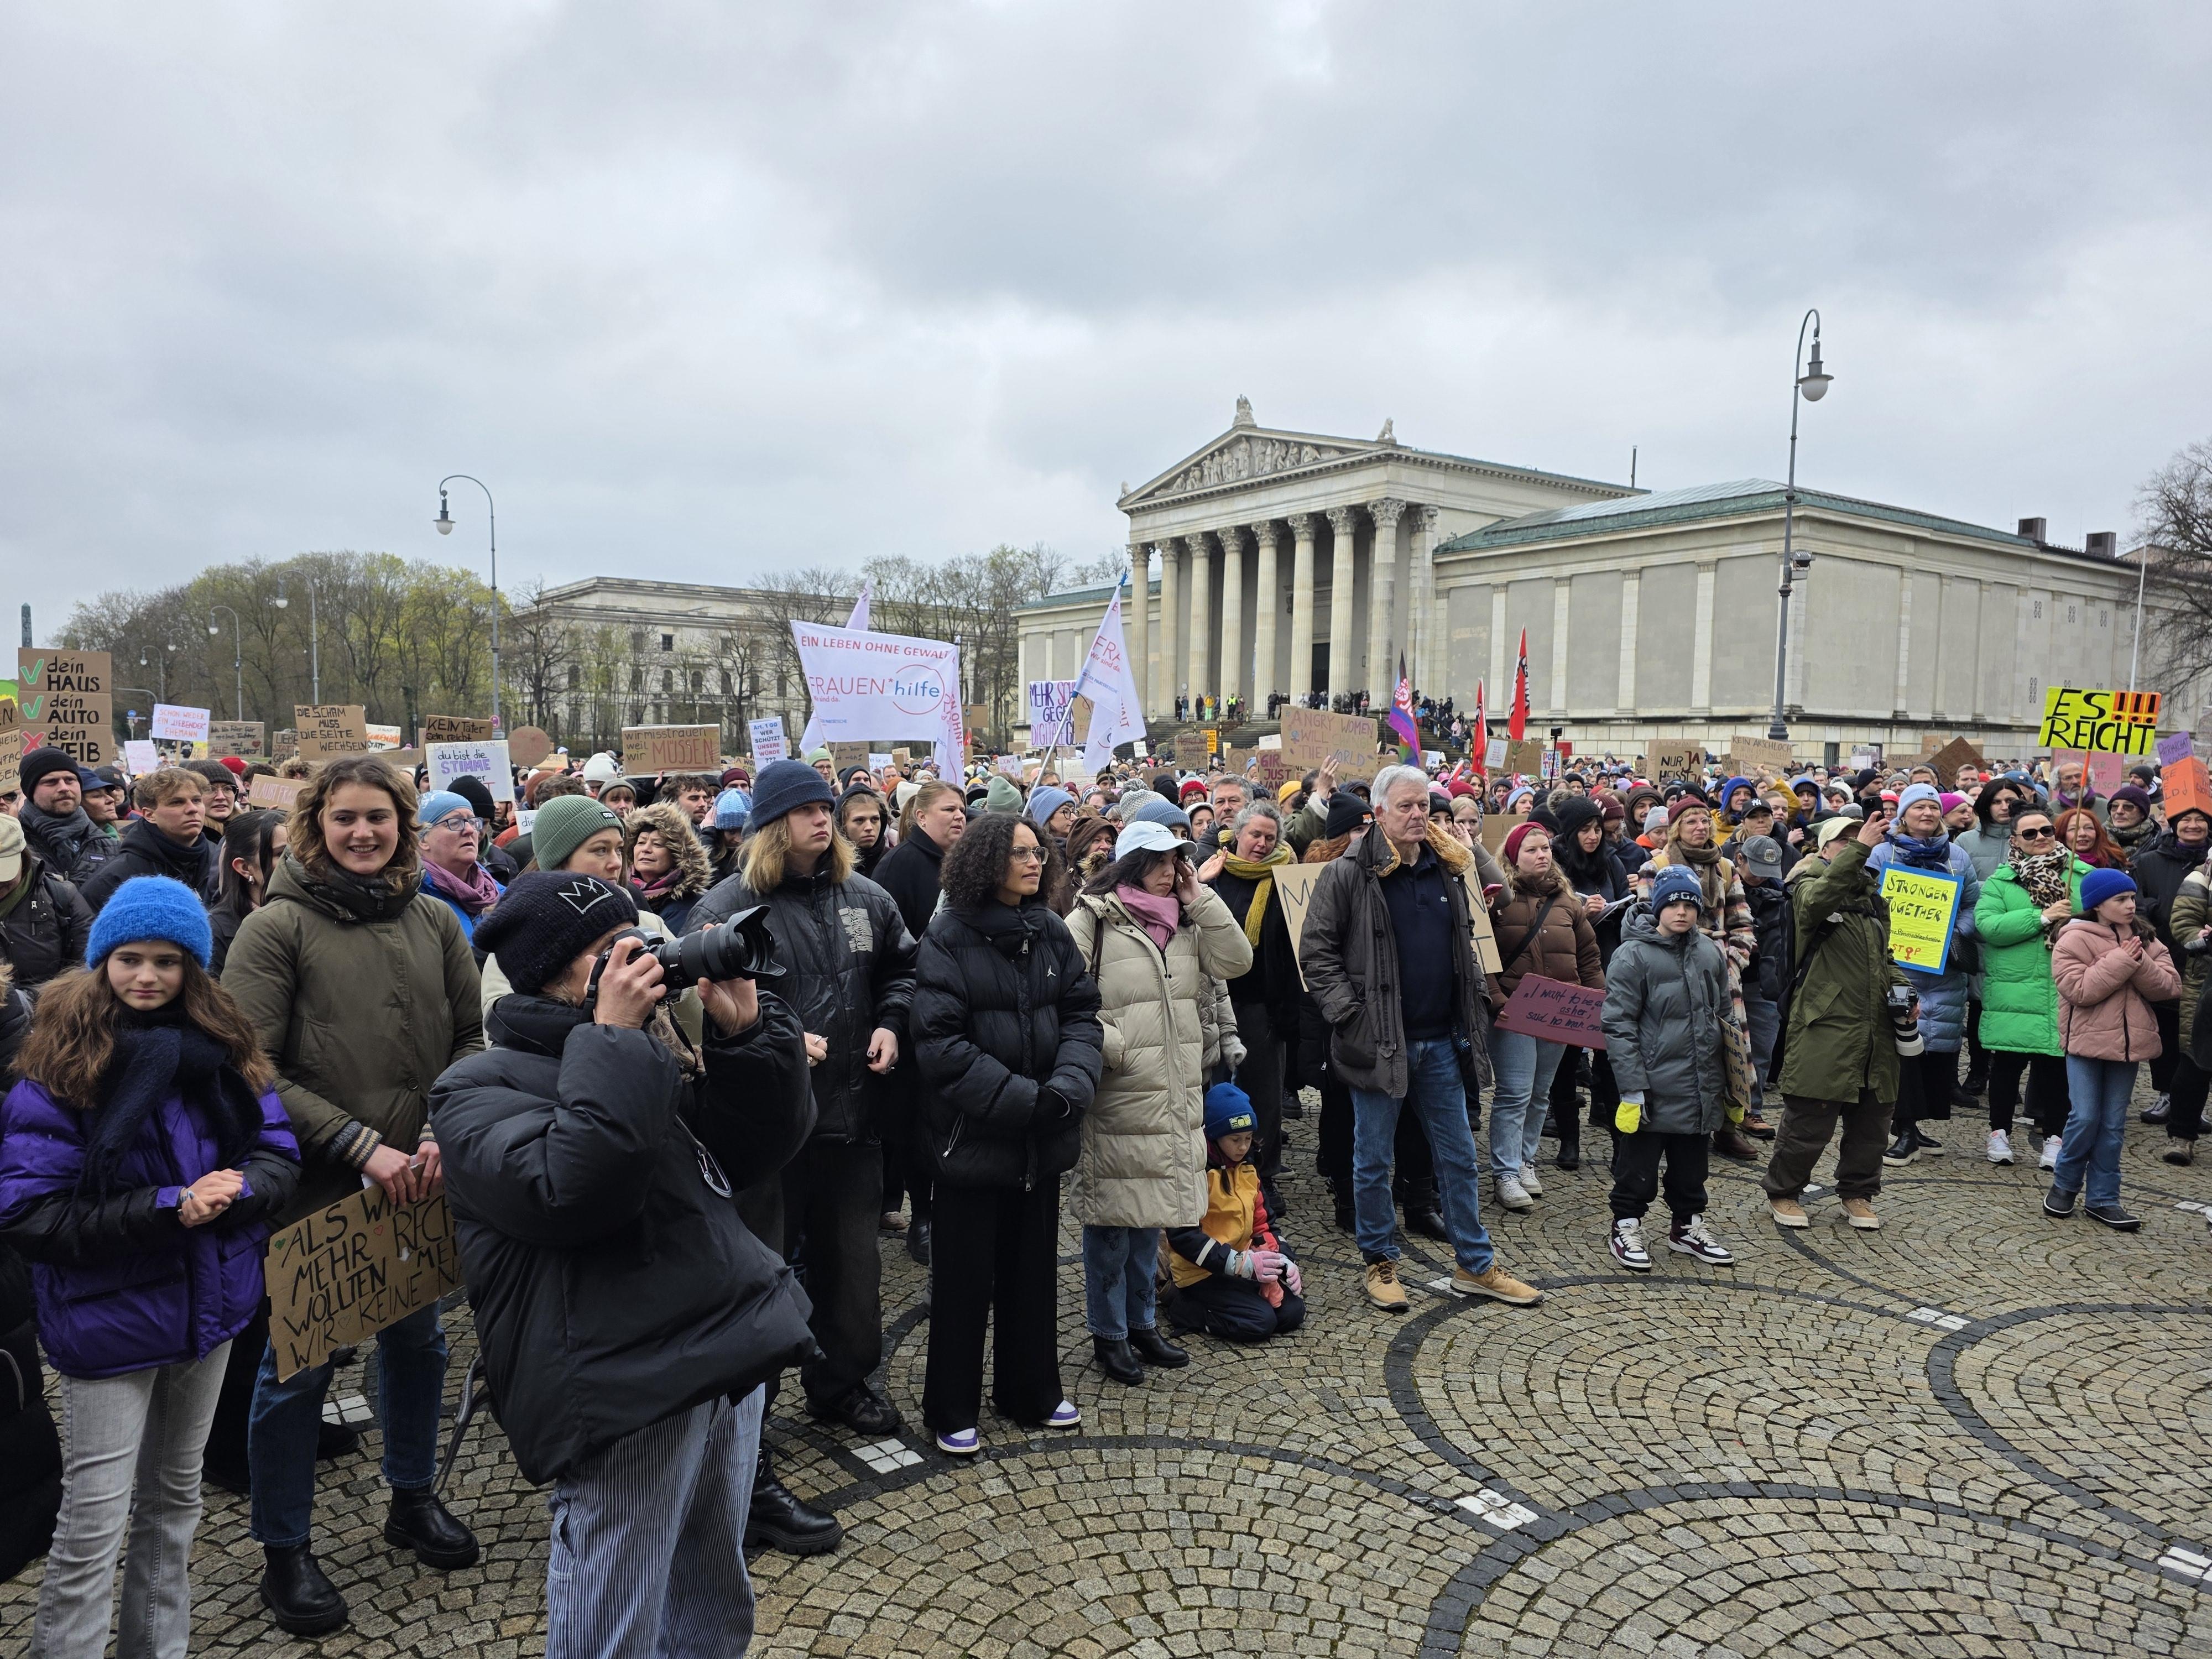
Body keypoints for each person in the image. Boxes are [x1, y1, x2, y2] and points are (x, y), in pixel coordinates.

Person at [434, 872, 817, 1658]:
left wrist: (747, 1040)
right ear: (555, 975)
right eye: (610, 953)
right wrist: (609, 1037)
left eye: (636, 940)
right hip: (625, 1381)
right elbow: (575, 1193)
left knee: (712, 1591)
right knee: (614, 1614)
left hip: (722, 1349)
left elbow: (745, 1159)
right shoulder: (474, 1088)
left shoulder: (646, 1045)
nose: (639, 961)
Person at [0, 877, 299, 1659]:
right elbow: (32, 1215)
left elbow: (276, 1149)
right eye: (130, 958)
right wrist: (168, 1206)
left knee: (174, 1501)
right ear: (102, 961)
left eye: (167, 962)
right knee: (95, 1518)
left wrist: (242, 1188)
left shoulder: (226, 1050)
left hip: (211, 1306)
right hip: (110, 1321)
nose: (147, 977)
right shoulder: (61, 1067)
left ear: (192, 969)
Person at [220, 756, 483, 1636]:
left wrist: (446, 1130)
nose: (364, 833)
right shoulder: (275, 928)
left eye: (380, 818)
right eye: (346, 819)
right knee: (295, 1373)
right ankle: (284, 1548)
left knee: (418, 1347)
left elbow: (473, 1036)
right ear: (314, 826)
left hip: (421, 1179)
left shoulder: (436, 918)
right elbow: (250, 1066)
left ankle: (411, 1497)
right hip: (321, 1182)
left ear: (404, 826)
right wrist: (360, 1146)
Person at [684, 760, 915, 1436]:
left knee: (852, 1269)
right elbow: (695, 1020)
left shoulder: (867, 897)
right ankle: (746, 1422)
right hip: (766, 1135)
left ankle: (842, 1385)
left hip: (851, 1119)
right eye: (806, 809)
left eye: (827, 808)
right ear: (769, 825)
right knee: (759, 1277)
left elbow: (904, 968)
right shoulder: (725, 909)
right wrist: (777, 1043)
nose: (824, 818)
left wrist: (891, 1022)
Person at [1301, 764, 1543, 1312]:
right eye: (1406, 806)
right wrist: (1352, 1017)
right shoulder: (1345, 874)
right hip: (1377, 1043)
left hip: (1440, 1042)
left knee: (1457, 1158)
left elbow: (1478, 932)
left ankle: (1474, 1265)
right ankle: (1380, 1261)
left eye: (1423, 807)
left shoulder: (1447, 869)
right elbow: (1316, 956)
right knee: (1371, 1159)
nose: (1417, 815)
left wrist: (1471, 1011)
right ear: (1379, 813)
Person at [910, 811, 1102, 1454]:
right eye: (1019, 852)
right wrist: (1025, 1100)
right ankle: (952, 1406)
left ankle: (1030, 1390)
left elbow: (1081, 1013)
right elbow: (940, 1044)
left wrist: (1070, 1086)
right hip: (973, 1139)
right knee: (965, 1282)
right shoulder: (946, 936)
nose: (1034, 862)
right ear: (983, 861)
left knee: (1032, 1272)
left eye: (1037, 852)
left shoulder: (1049, 930)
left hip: (1039, 1137)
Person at [1066, 821, 1252, 1386]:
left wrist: (1201, 899)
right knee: (1111, 1221)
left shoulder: (1189, 920)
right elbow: (1064, 1004)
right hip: (1119, 1092)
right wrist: (1118, 1047)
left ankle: (1143, 1323)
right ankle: (1109, 1333)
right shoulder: (1090, 921)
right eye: (1161, 861)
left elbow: (1237, 961)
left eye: (1179, 861)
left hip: (1174, 1091)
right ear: (1131, 864)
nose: (1171, 871)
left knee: (1152, 1214)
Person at [1762, 811, 1907, 1229]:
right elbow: (1819, 901)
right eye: (1844, 840)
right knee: (1811, 1116)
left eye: (1857, 839)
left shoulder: (1872, 900)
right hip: (1826, 1022)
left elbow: (1886, 959)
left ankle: (1857, 1192)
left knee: (1872, 1121)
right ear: (1824, 850)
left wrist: (1903, 992)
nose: (1854, 845)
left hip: (1874, 1028)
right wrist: (1862, 846)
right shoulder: (1807, 885)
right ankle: (1784, 1191)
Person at [1599, 866, 1736, 1270]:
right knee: (1638, 1166)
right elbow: (1618, 1024)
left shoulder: (1710, 953)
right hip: (1652, 1086)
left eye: (1689, 904)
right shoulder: (1633, 955)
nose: (1682, 912)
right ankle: (1626, 1224)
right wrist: (1631, 1087)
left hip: (1699, 1086)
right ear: (1659, 906)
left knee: (1692, 1166)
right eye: (1673, 903)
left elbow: (1725, 1018)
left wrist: (1734, 1082)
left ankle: (1687, 1226)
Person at [2047, 868, 2179, 1231]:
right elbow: (2080, 991)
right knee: (2085, 1117)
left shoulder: (2145, 938)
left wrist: (2138, 961)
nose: (2130, 905)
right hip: (2085, 1046)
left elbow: (2170, 987)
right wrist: (2122, 960)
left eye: (2132, 898)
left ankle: (2104, 1198)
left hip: (2128, 1048)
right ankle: (2065, 1184)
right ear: (2098, 905)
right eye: (2120, 899)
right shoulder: (2072, 938)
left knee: (2113, 1125)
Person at [1484, 822, 1603, 1211]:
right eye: (1532, 849)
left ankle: (1525, 1160)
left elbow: (1588, 956)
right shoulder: (1499, 900)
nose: (1543, 855)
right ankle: (1505, 1171)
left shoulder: (1568, 903)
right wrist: (1498, 998)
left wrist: (1595, 1001)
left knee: (1539, 1094)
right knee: (1515, 1093)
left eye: (1546, 848)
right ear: (1514, 857)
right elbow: (1480, 951)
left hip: (1557, 1012)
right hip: (1514, 1010)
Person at [874, 778, 967, 1266]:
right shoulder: (901, 866)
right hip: (915, 1013)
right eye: (949, 809)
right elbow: (891, 948)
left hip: (958, 1013)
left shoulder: (965, 863)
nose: (959, 816)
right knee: (916, 1121)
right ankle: (922, 1216)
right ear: (921, 817)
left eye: (963, 809)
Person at [1871, 784, 1983, 1167]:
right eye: (1918, 807)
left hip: (1945, 971)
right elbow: (1869, 901)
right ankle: (1902, 1129)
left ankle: (1915, 1126)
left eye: (1933, 807)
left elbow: (1971, 904)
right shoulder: (1883, 853)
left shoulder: (1958, 857)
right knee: (1902, 1052)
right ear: (1903, 814)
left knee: (1936, 1052)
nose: (1927, 814)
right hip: (1898, 969)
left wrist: (1955, 932)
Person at [1648, 796, 1763, 1153]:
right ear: (1676, 829)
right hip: (1673, 974)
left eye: (1704, 821)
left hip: (1721, 976)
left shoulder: (1726, 867)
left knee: (1730, 1050)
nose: (1700, 827)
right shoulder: (1658, 866)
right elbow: (1649, 923)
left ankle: (1728, 1127)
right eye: (1691, 822)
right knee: (1680, 1050)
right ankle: (1677, 1126)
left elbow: (1744, 925)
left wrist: (1730, 963)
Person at [1199, 802, 1300, 1202]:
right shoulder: (1213, 874)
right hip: (1214, 1001)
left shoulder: (1285, 881)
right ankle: (1213, 1171)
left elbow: (1295, 949)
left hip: (1262, 1004)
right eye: (1255, 835)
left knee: (1265, 1095)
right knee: (1214, 1089)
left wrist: (1290, 1010)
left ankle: (1264, 1174)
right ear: (1237, 834)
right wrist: (1204, 886)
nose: (1261, 844)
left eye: (1270, 838)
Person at [1973, 806, 2083, 1169]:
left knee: (2056, 1069)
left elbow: (2102, 918)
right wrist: (2041, 917)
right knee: (2006, 1066)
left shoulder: (2081, 875)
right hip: (2014, 990)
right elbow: (1989, 927)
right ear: (2015, 840)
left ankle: (2055, 1137)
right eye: (2030, 834)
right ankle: (1999, 1133)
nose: (2040, 838)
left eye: (2046, 830)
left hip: (2062, 987)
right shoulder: (2002, 882)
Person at [1164, 1082, 1305, 1343]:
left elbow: (1265, 1223)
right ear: (1215, 1137)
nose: (1243, 1147)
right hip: (1203, 1272)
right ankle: (1184, 1308)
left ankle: (1235, 1299)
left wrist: (1283, 1260)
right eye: (1235, 1140)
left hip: (1241, 1264)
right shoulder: (1195, 1174)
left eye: (1249, 1138)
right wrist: (1245, 1265)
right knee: (1259, 1323)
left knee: (1292, 1314)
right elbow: (1184, 1237)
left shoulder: (1248, 1167)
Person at [2127, 802, 2208, 1124]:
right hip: (2164, 954)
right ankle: (2166, 1094)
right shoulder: (2148, 861)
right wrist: (2155, 919)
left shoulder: (2209, 861)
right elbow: (2136, 903)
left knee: (2196, 1034)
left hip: (2203, 961)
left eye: (2199, 820)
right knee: (2165, 1030)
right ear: (2173, 825)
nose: (2192, 825)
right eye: (2185, 819)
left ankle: (2191, 1104)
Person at [78, 769, 214, 913]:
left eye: (197, 800)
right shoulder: (115, 878)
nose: (192, 809)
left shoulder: (221, 859)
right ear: (149, 815)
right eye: (177, 802)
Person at [0, 811, 92, 998]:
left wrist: (29, 999)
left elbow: (88, 971)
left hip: (49, 1015)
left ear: (22, 857)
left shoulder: (61, 897)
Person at [415, 790, 505, 949]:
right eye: (455, 823)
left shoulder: (502, 894)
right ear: (423, 840)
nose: (471, 830)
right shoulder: (413, 903)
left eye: (472, 822)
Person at [15, 750, 117, 889]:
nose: (64, 788)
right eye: (51, 782)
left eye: (70, 780)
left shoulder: (111, 848)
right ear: (30, 791)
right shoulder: (13, 844)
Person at [626, 801, 713, 934]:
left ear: (677, 854)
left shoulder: (687, 903)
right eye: (641, 842)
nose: (646, 849)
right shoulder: (622, 891)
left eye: (658, 844)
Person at [837, 784, 889, 880]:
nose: (869, 828)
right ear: (842, 824)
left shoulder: (894, 860)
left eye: (875, 819)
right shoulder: (832, 866)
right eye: (860, 820)